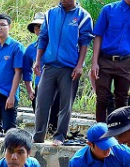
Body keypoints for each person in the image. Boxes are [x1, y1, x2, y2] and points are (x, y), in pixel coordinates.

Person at [33, 0, 94, 143]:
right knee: (41, 102)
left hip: (69, 67)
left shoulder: (83, 16)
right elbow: (43, 38)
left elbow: (85, 42)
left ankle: (60, 136)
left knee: (65, 104)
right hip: (49, 66)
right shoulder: (50, 14)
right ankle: (38, 136)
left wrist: (80, 65)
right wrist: (38, 61)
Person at [91, 0, 130, 122]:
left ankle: (119, 133)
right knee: (102, 98)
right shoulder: (109, 10)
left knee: (122, 99)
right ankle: (100, 131)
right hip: (105, 59)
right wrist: (94, 62)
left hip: (125, 62)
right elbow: (98, 36)